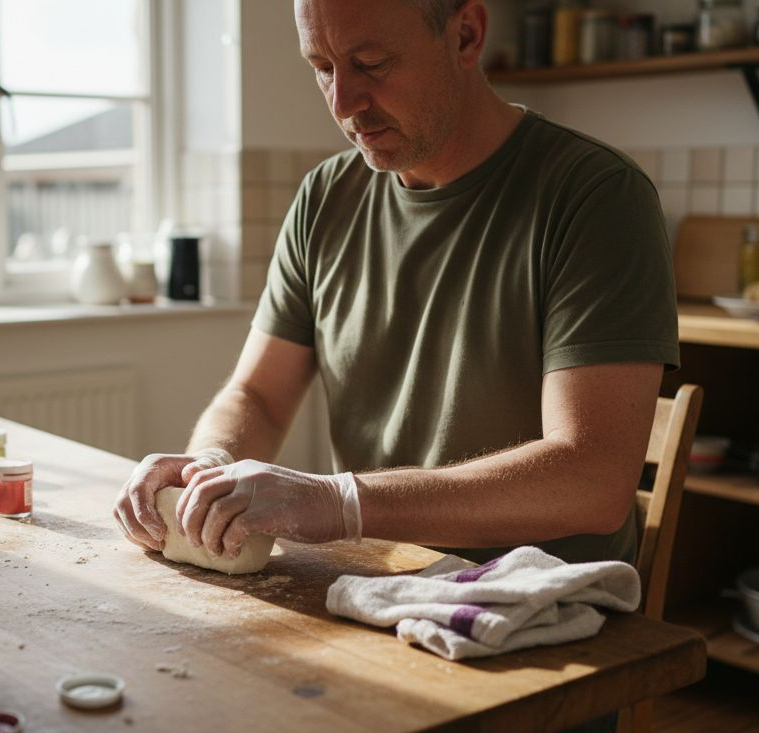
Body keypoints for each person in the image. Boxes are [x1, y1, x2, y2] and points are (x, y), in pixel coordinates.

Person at [112, 0, 677, 574]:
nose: (343, 103)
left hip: (544, 607)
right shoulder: (324, 198)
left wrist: (340, 501)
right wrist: (210, 464)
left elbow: (592, 478)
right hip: (381, 585)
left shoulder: (597, 196)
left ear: (465, 35)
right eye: (323, 67)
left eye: (371, 62)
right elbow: (257, 394)